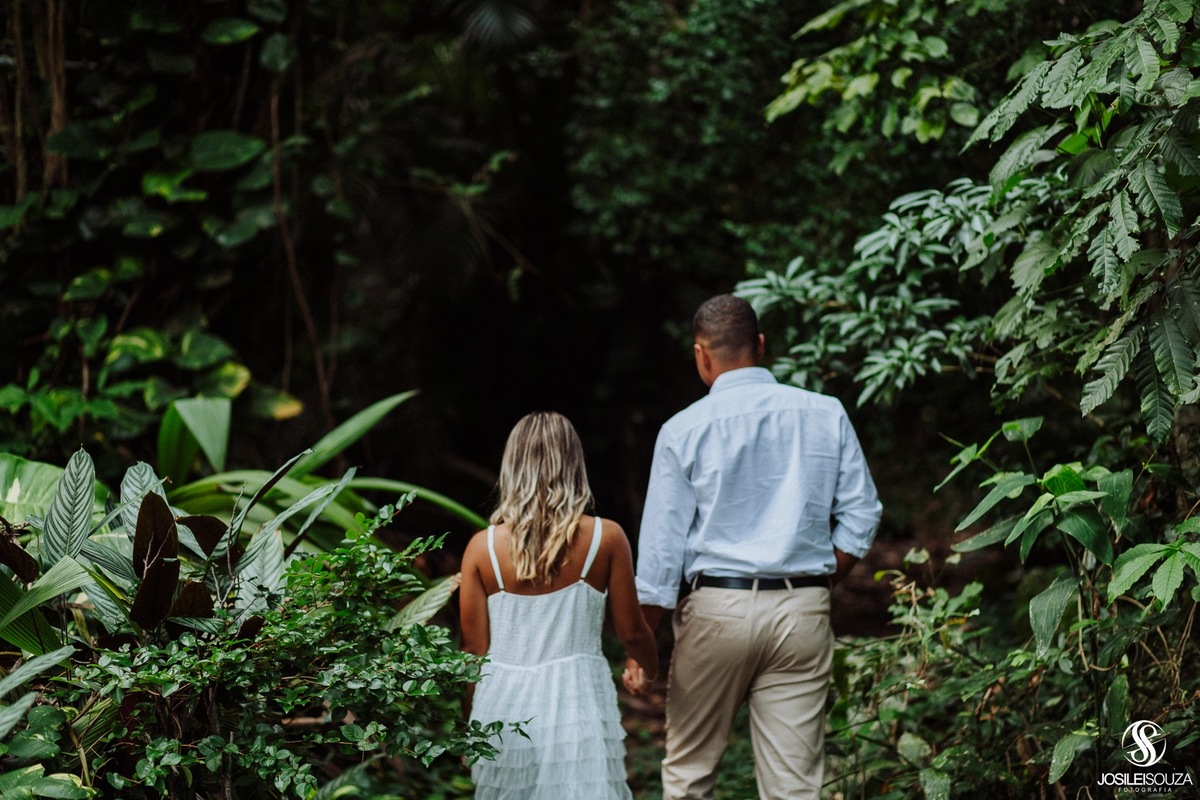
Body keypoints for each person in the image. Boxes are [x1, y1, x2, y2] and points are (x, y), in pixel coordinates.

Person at [626, 294, 882, 800]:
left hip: (717, 609)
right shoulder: (825, 413)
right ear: (760, 346)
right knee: (794, 786)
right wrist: (822, 577)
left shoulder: (682, 430)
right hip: (802, 610)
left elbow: (659, 555)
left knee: (690, 776)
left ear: (701, 355)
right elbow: (863, 512)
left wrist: (642, 648)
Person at [460, 411, 659, 800]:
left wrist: (471, 724)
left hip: (503, 701)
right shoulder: (606, 538)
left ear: (512, 466)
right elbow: (633, 631)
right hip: (577, 699)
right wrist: (646, 668)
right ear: (574, 464)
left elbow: (473, 652)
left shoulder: (481, 548)